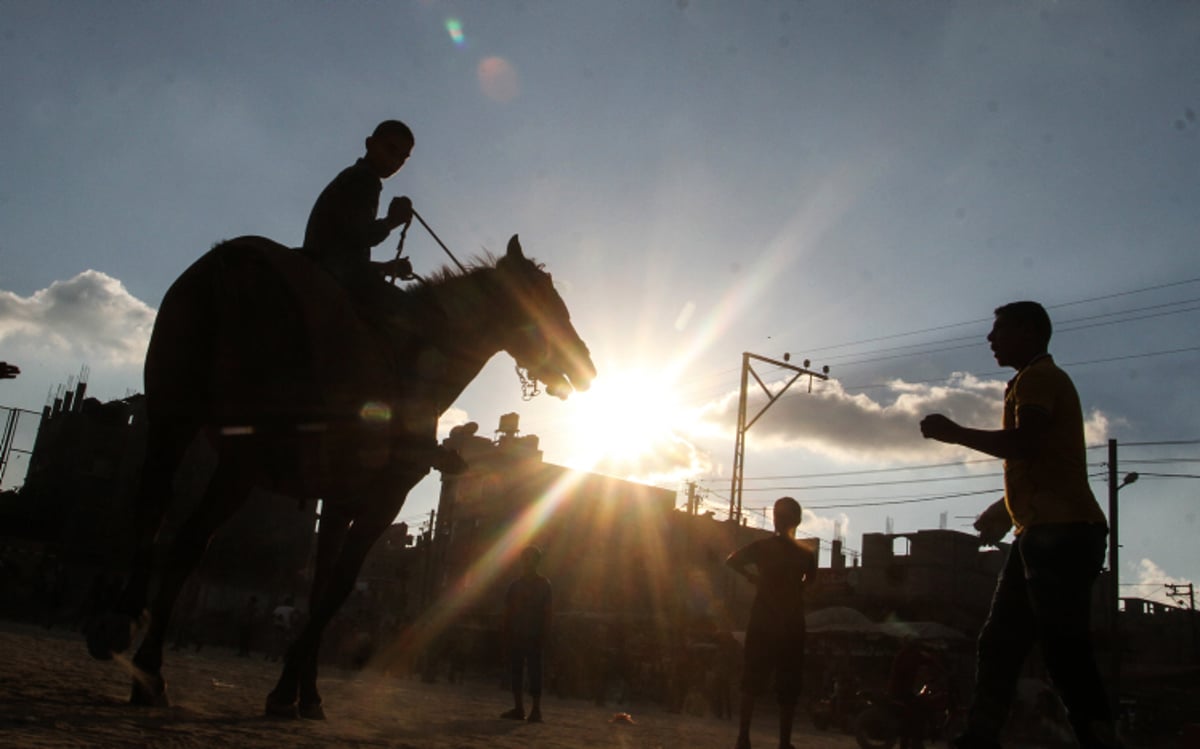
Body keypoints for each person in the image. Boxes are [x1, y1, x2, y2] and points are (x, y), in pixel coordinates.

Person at [919, 301, 1118, 749]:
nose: (991, 340)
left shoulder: (1039, 379)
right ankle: (981, 735)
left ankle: (1099, 739)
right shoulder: (1027, 382)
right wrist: (1004, 510)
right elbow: (1042, 465)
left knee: (1061, 650)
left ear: (1028, 333)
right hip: (1042, 533)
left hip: (1062, 534)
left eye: (999, 331)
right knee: (1000, 642)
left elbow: (1026, 444)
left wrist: (957, 434)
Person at [726, 496, 817, 749]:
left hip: (764, 620)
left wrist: (753, 578)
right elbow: (810, 582)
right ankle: (783, 742)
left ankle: (744, 737)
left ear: (776, 520)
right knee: (787, 686)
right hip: (790, 622)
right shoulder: (805, 554)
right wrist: (793, 589)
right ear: (797, 521)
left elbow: (731, 560)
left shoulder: (763, 547)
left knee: (753, 681)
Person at [301, 119, 416, 296]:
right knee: (419, 312)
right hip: (330, 275)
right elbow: (360, 237)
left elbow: (345, 250)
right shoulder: (365, 178)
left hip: (326, 267)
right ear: (370, 144)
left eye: (402, 158)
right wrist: (392, 221)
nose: (395, 162)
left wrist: (386, 267)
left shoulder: (355, 176)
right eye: (391, 150)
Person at [501, 545, 552, 723]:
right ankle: (519, 708)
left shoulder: (543, 585)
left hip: (534, 635)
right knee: (517, 671)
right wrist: (506, 633)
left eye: (530, 559)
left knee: (534, 672)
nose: (527, 562)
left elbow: (548, 613)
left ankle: (535, 710)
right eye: (525, 558)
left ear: (536, 562)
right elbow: (507, 613)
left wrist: (544, 634)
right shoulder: (515, 586)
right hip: (517, 634)